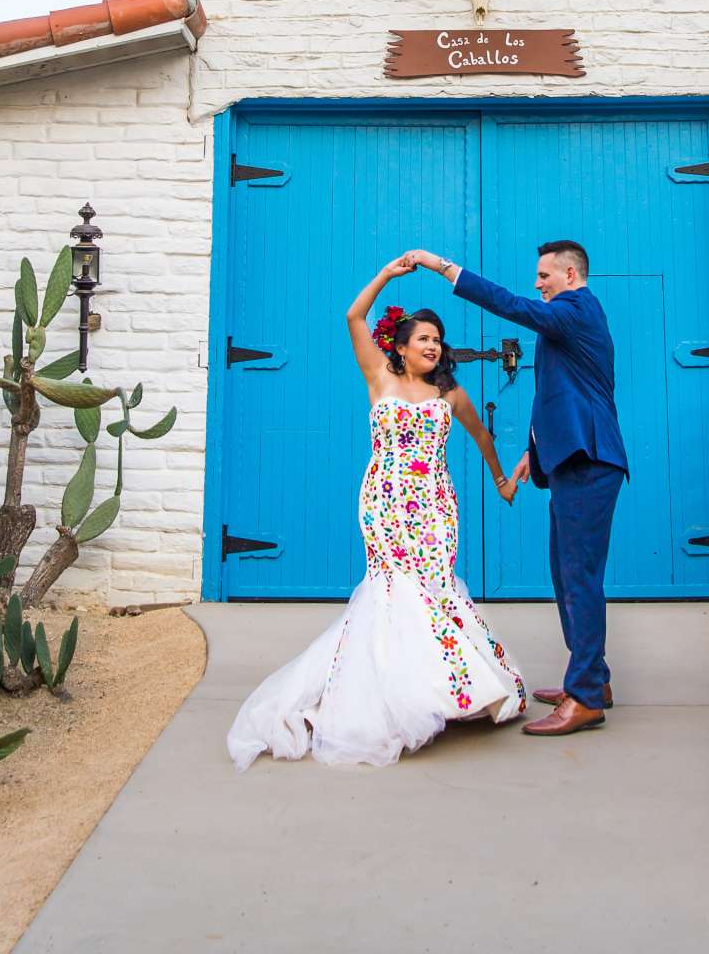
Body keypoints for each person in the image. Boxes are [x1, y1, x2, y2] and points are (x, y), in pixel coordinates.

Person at [226, 255, 528, 769]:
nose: (433, 346)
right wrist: (387, 275)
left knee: (433, 587)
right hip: (384, 502)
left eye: (437, 339)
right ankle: (392, 696)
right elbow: (353, 317)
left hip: (435, 504)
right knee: (393, 589)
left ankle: (448, 691)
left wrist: (502, 479)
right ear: (402, 347)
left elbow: (481, 436)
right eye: (423, 340)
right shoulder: (379, 377)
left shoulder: (449, 392)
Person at [409, 240, 623, 737]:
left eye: (545, 275)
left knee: (580, 577)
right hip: (571, 461)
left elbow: (510, 304)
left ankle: (587, 697)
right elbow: (559, 392)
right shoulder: (568, 317)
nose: (537, 283)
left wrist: (442, 267)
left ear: (570, 274)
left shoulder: (576, 308)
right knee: (567, 576)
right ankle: (593, 679)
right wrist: (535, 450)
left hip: (591, 464)